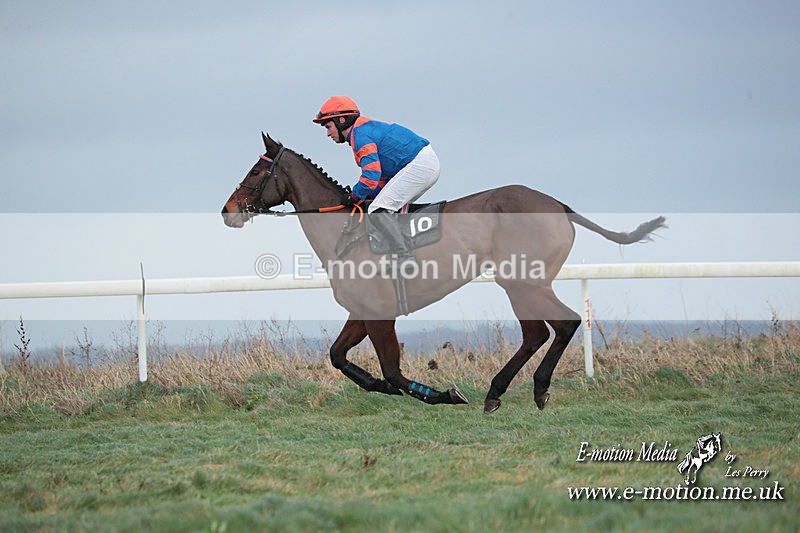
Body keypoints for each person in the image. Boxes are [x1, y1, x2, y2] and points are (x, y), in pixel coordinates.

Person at [312, 96, 440, 270]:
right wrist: (364, 195)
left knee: (378, 209)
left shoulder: (361, 135)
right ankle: (403, 252)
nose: (328, 134)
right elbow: (380, 180)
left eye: (328, 127)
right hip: (421, 163)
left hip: (419, 165)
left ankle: (404, 257)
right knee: (386, 206)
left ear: (341, 120)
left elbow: (372, 175)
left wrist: (354, 196)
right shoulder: (362, 131)